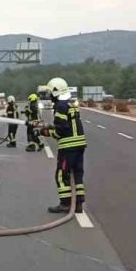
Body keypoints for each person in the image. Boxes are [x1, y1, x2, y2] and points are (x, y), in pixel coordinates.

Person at [42, 77, 86, 213]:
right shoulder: (70, 104)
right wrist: (50, 126)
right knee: (77, 174)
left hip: (68, 146)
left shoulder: (60, 106)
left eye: (50, 93)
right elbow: (67, 124)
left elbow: (61, 130)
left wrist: (47, 132)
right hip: (79, 145)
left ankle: (65, 203)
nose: (49, 96)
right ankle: (78, 204)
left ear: (56, 92)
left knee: (62, 174)